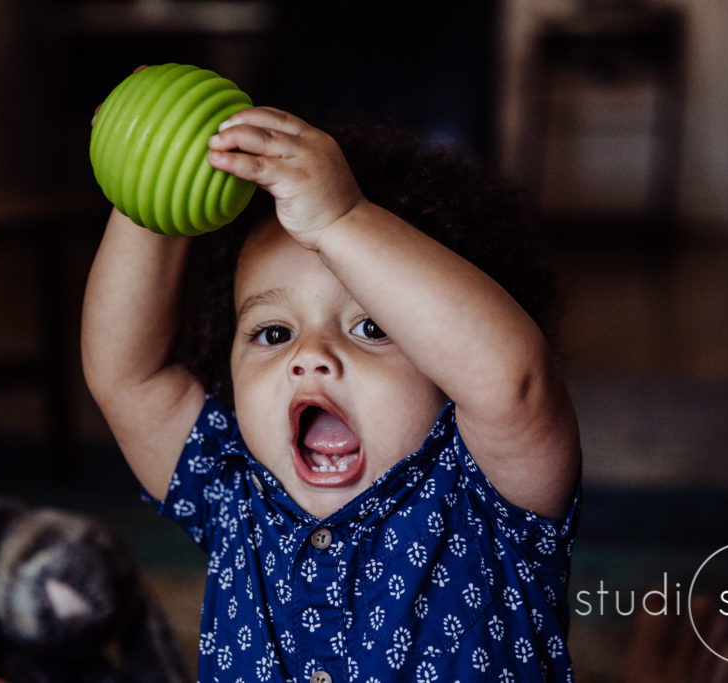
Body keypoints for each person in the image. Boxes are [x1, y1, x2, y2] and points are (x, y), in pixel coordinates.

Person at [82, 103, 582, 680]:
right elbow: (127, 377)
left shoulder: (487, 497)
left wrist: (342, 220)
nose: (311, 357)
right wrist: (150, 183)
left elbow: (512, 382)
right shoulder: (232, 487)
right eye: (274, 333)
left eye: (372, 328)